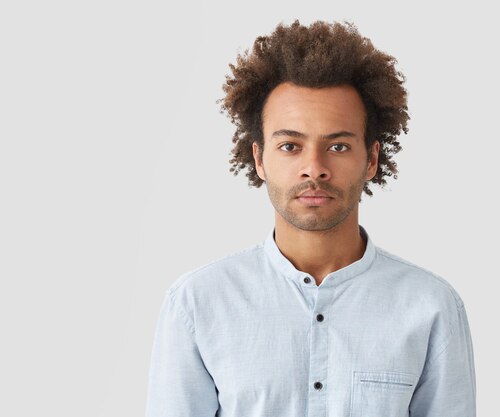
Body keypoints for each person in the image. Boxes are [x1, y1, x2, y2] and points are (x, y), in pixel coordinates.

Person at [145, 19, 476, 417]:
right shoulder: (198, 303)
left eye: (337, 146)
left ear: (371, 159)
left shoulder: (431, 306)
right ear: (259, 158)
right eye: (290, 146)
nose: (314, 168)